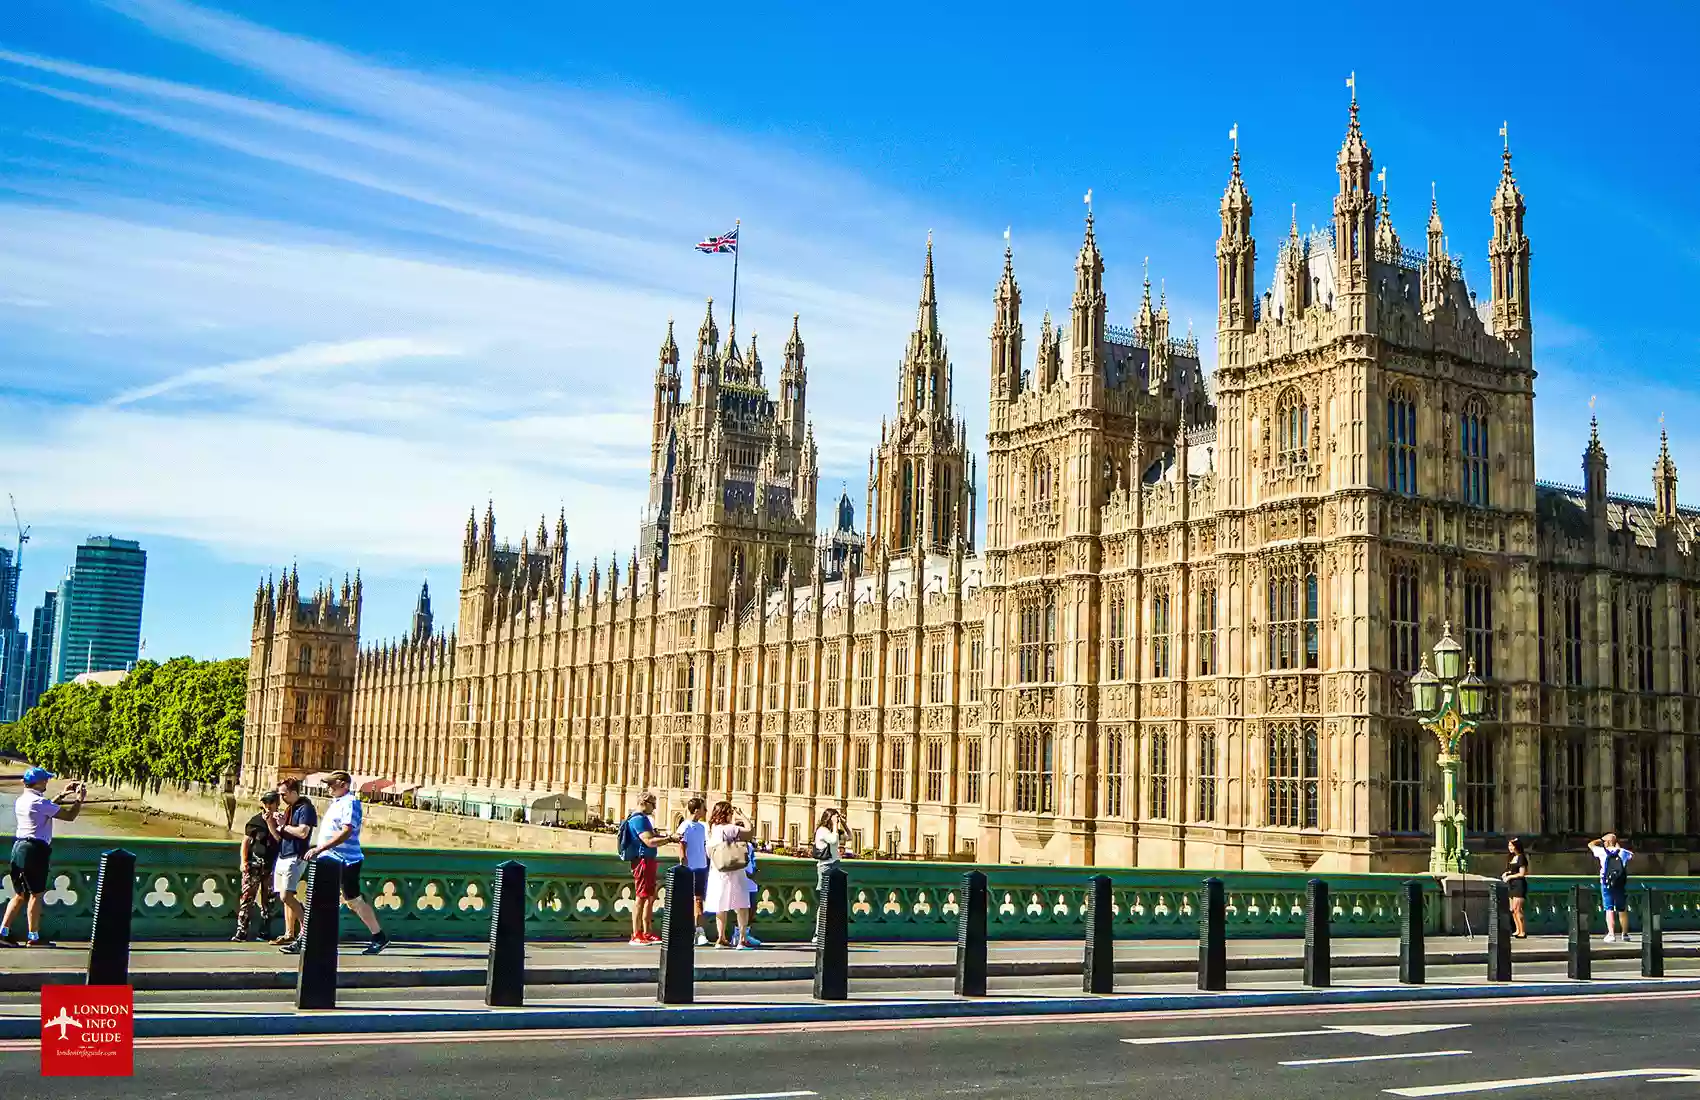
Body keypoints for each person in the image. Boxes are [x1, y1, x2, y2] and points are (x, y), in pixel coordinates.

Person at [285, 771, 388, 955]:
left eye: (332, 784)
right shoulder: (337, 802)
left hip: (345, 860)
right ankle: (305, 939)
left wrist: (320, 848)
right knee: (317, 898)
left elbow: (346, 831)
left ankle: (378, 936)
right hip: (329, 859)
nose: (328, 788)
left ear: (344, 784)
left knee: (353, 901)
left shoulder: (350, 802)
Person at [1, 767, 85, 947]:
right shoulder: (39, 802)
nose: (47, 782)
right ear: (38, 783)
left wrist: (62, 795)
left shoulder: (22, 800)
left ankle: (3, 932)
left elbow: (45, 809)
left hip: (19, 848)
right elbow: (70, 816)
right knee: (36, 894)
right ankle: (33, 937)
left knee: (19, 894)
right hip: (35, 851)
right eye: (45, 779)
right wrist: (79, 799)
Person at [617, 792, 676, 945]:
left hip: (648, 860)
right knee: (641, 897)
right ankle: (636, 934)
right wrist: (669, 839)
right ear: (644, 802)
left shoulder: (642, 819)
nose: (655, 808)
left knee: (649, 896)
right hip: (642, 861)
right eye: (653, 804)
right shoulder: (639, 820)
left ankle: (647, 932)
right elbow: (649, 841)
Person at [268, 777, 317, 946]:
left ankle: (307, 932)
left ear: (294, 792)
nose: (281, 798)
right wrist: (271, 822)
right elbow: (279, 837)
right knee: (285, 898)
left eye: (284, 794)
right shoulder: (290, 809)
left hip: (296, 856)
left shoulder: (306, 808)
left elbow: (303, 832)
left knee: (286, 895)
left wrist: (284, 825)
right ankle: (289, 933)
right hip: (283, 854)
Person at [703, 801, 754, 949]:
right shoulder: (730, 829)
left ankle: (721, 938)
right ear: (727, 814)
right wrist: (742, 816)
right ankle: (742, 940)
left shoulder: (712, 830)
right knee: (742, 905)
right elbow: (750, 832)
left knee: (721, 905)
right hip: (734, 870)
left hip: (717, 871)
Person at [233, 790, 282, 942]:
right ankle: (242, 930)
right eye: (265, 802)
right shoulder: (255, 821)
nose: (268, 805)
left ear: (277, 804)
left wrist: (273, 824)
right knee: (247, 898)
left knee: (269, 900)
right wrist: (243, 861)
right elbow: (246, 842)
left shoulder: (281, 821)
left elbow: (282, 841)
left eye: (271, 802)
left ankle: (265, 930)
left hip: (272, 866)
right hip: (254, 864)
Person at [675, 797, 710, 947]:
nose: (705, 811)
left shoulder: (702, 827)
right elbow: (682, 848)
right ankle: (689, 930)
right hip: (690, 868)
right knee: (689, 901)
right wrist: (683, 865)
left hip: (702, 867)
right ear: (696, 810)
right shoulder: (685, 826)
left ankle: (699, 931)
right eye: (703, 808)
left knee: (699, 900)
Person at [1588, 833, 1634, 943]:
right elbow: (1631, 855)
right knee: (1622, 909)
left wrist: (1601, 839)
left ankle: (1611, 934)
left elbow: (1590, 844)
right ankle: (1625, 934)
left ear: (1607, 842)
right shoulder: (1623, 852)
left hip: (1606, 883)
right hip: (1619, 883)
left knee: (1609, 908)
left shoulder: (1601, 851)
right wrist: (1617, 845)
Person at [1501, 836, 1530, 939]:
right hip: (1512, 885)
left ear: (1516, 846)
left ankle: (1522, 931)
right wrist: (1507, 873)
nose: (1510, 848)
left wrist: (1510, 877)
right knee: (1512, 909)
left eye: (1511, 846)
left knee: (1518, 909)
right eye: (1509, 846)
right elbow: (1513, 870)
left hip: (1519, 885)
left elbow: (1522, 873)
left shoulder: (1521, 857)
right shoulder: (1512, 857)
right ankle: (1517, 929)